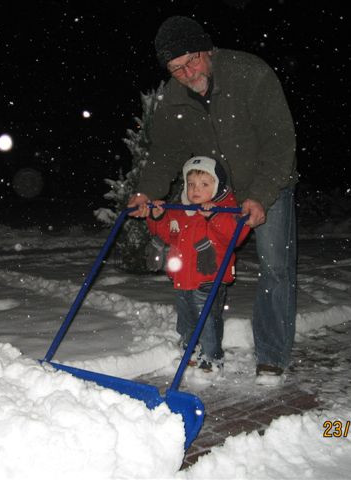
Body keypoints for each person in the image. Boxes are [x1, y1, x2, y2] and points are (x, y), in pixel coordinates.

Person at [128, 16, 298, 385]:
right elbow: (164, 154)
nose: (187, 73)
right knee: (201, 267)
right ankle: (202, 345)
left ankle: (271, 356)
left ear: (206, 49)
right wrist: (148, 192)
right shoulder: (173, 98)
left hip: (268, 181)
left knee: (275, 268)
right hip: (214, 193)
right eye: (176, 69)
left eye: (191, 61)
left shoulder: (249, 74)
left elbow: (279, 141)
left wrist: (260, 196)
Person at [146, 156, 249, 372]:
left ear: (218, 186)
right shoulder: (180, 211)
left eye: (204, 184)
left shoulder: (226, 210)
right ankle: (189, 350)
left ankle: (212, 358)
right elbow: (169, 235)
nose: (195, 189)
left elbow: (235, 236)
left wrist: (214, 216)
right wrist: (157, 218)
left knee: (208, 320)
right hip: (183, 278)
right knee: (186, 320)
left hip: (210, 277)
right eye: (191, 184)